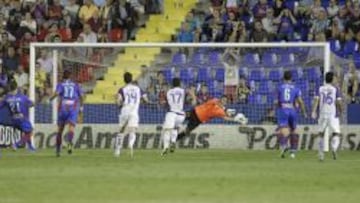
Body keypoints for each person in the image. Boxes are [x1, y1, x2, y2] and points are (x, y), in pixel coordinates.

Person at [176, 95, 248, 142]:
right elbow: (216, 102)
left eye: (225, 101)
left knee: (187, 131)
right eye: (223, 99)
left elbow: (226, 118)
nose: (223, 101)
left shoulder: (221, 111)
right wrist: (225, 109)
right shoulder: (215, 101)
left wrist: (235, 119)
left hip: (198, 120)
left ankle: (174, 140)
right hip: (194, 112)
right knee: (179, 118)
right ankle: (170, 126)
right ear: (220, 99)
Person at [114, 72, 149, 157]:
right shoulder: (138, 89)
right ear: (132, 79)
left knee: (121, 131)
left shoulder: (122, 89)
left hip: (125, 110)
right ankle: (130, 145)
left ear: (124, 80)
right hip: (134, 111)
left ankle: (117, 151)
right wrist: (139, 102)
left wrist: (119, 103)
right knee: (132, 130)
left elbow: (118, 102)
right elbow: (146, 100)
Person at [50, 70, 84, 157]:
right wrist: (81, 108)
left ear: (63, 76)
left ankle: (58, 150)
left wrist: (50, 99)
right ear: (70, 76)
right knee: (71, 127)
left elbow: (57, 93)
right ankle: (69, 143)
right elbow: (81, 96)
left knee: (60, 130)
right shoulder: (76, 85)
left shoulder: (60, 84)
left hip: (63, 108)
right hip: (73, 107)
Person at [311, 72, 342, 161]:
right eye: (334, 78)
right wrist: (340, 110)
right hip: (333, 114)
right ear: (332, 79)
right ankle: (334, 148)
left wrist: (313, 111)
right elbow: (339, 102)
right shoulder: (335, 89)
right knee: (336, 133)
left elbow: (316, 100)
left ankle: (321, 154)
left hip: (322, 113)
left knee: (321, 133)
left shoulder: (320, 88)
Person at [276, 70, 307, 159]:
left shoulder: (279, 88)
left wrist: (278, 108)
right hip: (292, 110)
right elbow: (300, 101)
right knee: (294, 130)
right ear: (291, 78)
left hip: (283, 109)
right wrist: (304, 111)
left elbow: (276, 101)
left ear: (283, 78)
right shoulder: (296, 88)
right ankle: (293, 152)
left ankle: (284, 145)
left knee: (284, 130)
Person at [0, 81, 35, 151]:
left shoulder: (7, 98)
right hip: (22, 118)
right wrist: (27, 105)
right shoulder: (22, 97)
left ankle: (31, 147)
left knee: (27, 132)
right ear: (17, 87)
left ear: (10, 88)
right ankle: (16, 144)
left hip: (13, 119)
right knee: (30, 132)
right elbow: (32, 104)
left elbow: (1, 106)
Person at [161, 78, 185, 155]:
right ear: (180, 84)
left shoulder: (168, 92)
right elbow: (189, 99)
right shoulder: (183, 91)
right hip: (181, 115)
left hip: (172, 113)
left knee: (167, 130)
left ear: (172, 84)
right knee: (175, 128)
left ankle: (165, 148)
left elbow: (164, 103)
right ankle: (173, 142)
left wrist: (163, 102)